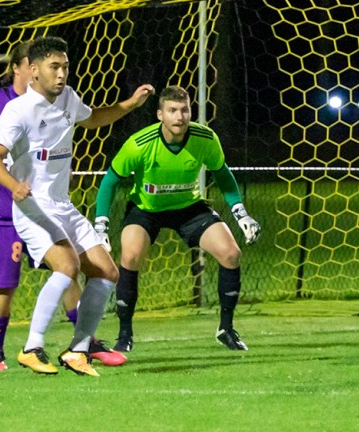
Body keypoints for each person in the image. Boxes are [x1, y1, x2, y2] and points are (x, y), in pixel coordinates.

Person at [0, 36, 154, 376]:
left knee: (107, 272)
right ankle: (32, 347)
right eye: (54, 67)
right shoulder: (17, 111)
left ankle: (77, 350)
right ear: (33, 71)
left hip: (62, 206)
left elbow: (92, 119)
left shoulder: (67, 98)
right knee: (65, 267)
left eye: (65, 66)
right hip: (33, 207)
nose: (62, 73)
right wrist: (13, 185)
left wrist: (130, 105)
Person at [94, 85, 261, 353]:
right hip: (145, 209)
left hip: (189, 207)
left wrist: (240, 213)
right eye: (172, 110)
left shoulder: (205, 139)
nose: (179, 117)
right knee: (130, 256)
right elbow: (110, 181)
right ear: (160, 114)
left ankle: (226, 329)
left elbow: (223, 175)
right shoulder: (140, 144)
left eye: (184, 110)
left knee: (231, 253)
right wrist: (100, 224)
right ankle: (124, 335)